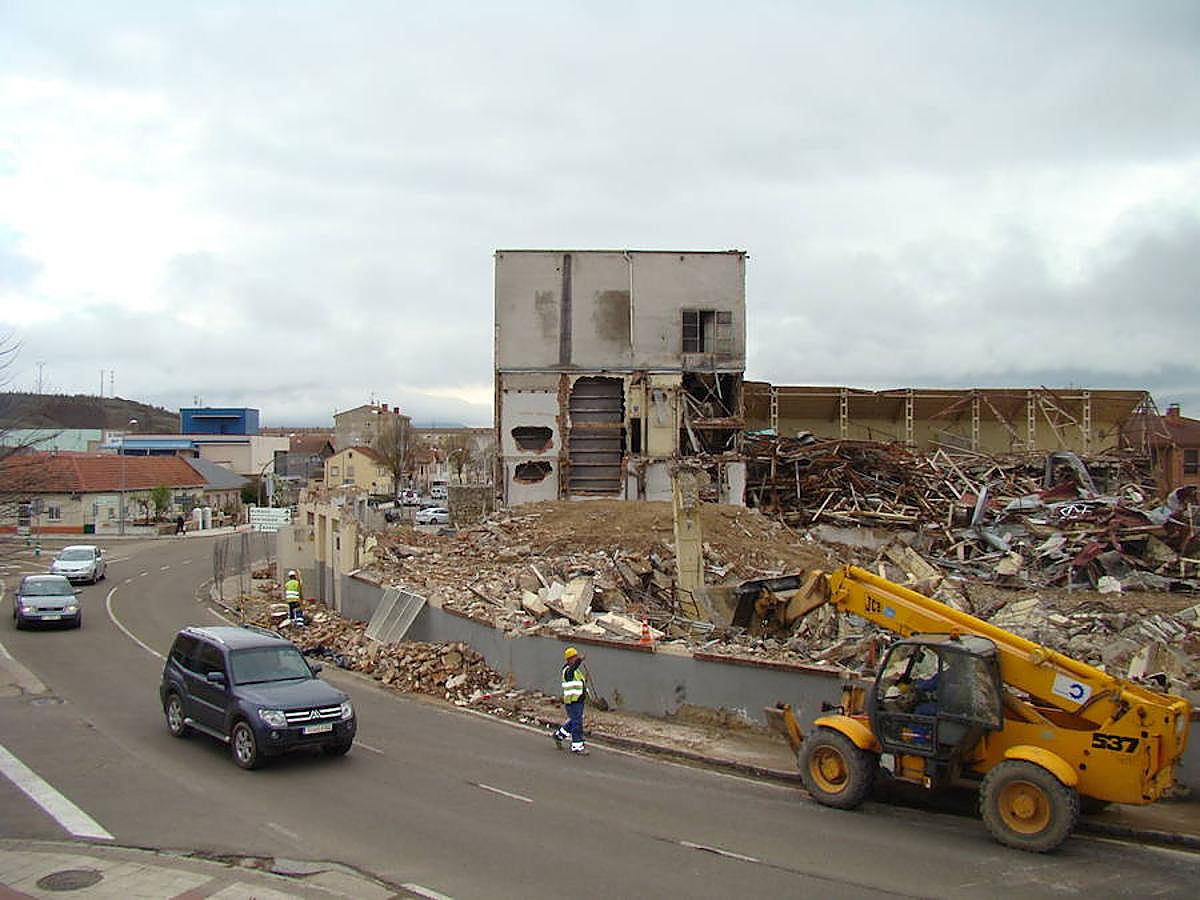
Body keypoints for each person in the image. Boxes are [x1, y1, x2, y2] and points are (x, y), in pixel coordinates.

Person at [552, 647, 589, 755]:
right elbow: (573, 668)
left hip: (578, 701)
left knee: (574, 721)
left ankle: (559, 735)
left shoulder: (576, 671)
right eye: (574, 657)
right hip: (572, 702)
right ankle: (577, 746)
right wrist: (580, 660)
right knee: (577, 723)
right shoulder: (568, 671)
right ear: (569, 659)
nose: (576, 659)